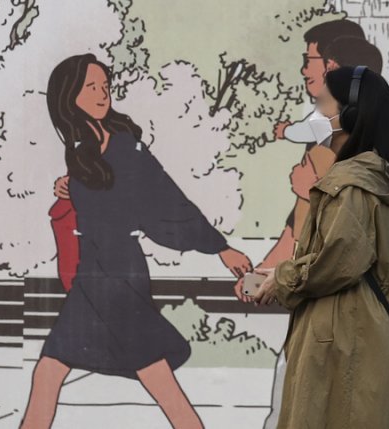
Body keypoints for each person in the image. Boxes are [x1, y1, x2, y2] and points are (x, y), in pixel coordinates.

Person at [20, 54, 253, 429]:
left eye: (105, 86)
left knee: (154, 375)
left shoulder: (126, 145)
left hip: (118, 273)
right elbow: (96, 199)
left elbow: (166, 198)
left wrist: (219, 247)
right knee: (51, 370)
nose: (102, 94)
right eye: (91, 87)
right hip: (91, 273)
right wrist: (70, 188)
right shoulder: (81, 149)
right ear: (69, 96)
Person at [253, 66, 389, 428]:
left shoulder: (352, 185)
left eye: (321, 104)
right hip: (357, 338)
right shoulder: (369, 178)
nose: (314, 113)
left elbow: (338, 261)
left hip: (344, 345)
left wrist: (284, 278)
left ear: (348, 114)